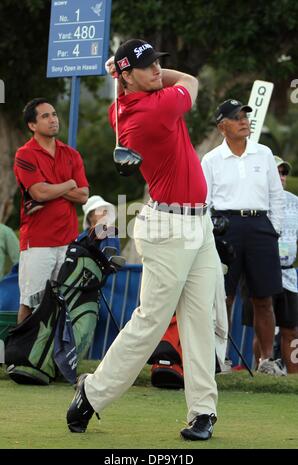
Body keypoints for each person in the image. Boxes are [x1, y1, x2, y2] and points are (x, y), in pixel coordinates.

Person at [66, 39, 219, 441]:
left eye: (157, 63)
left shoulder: (121, 107)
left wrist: (128, 73)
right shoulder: (157, 107)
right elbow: (189, 79)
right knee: (150, 323)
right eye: (147, 66)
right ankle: (91, 394)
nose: (156, 70)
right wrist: (134, 75)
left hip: (197, 225)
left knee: (199, 321)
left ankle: (203, 410)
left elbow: (132, 93)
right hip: (170, 229)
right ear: (128, 76)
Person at [201, 99, 285, 375]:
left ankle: (266, 361)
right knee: (223, 297)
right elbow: (205, 202)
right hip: (226, 229)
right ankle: (219, 357)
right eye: (237, 117)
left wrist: (274, 229)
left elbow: (276, 196)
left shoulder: (264, 154)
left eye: (245, 116)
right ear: (222, 126)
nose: (244, 121)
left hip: (261, 228)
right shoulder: (211, 159)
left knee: (263, 299)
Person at [13, 98, 89, 324]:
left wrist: (51, 186)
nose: (53, 119)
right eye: (45, 116)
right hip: (38, 241)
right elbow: (38, 193)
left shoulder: (71, 154)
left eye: (54, 114)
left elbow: (84, 195)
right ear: (32, 126)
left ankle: (54, 356)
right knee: (30, 302)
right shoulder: (25, 154)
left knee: (61, 302)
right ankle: (20, 355)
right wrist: (68, 184)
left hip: (68, 240)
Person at [242, 156, 298, 373]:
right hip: (258, 271)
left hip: (288, 275)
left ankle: (294, 380)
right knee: (262, 330)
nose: (282, 177)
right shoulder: (250, 202)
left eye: (284, 173)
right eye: (277, 172)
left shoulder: (294, 201)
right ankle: (263, 372)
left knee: (291, 330)